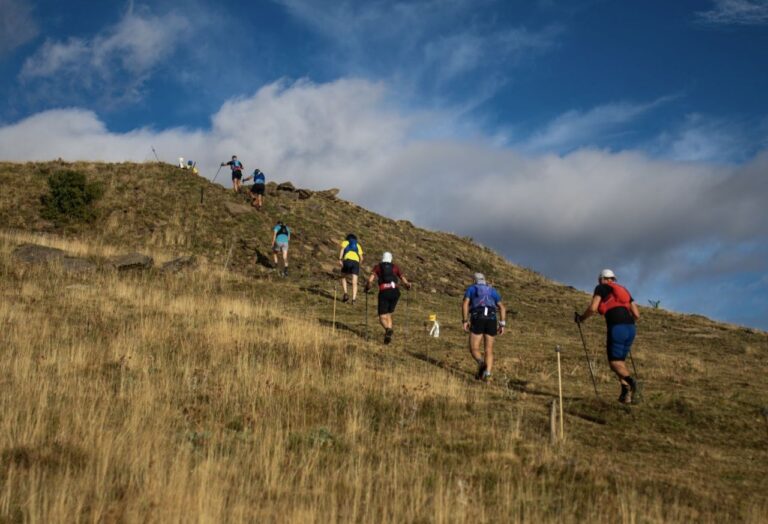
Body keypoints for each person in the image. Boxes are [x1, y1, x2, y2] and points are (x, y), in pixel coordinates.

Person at [576, 269, 641, 404]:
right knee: (620, 362)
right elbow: (636, 314)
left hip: (617, 327)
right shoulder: (624, 290)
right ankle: (625, 395)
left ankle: (632, 383)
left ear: (602, 279)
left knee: (614, 363)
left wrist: (581, 318)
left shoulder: (601, 288)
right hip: (630, 328)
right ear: (613, 279)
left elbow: (593, 308)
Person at [462, 273, 506, 382]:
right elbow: (502, 307)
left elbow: (465, 304)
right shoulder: (492, 290)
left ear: (474, 280)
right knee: (489, 350)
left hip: (478, 317)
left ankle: (481, 363)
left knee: (474, 348)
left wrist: (465, 320)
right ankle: (487, 375)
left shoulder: (471, 289)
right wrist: (502, 324)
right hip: (492, 319)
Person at [364, 252, 412, 344]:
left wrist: (367, 286)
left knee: (382, 317)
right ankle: (388, 336)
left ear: (382, 258)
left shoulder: (378, 266)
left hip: (384, 292)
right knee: (389, 314)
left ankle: (388, 330)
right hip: (395, 292)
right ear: (391, 258)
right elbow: (403, 278)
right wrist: (407, 285)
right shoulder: (395, 267)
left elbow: (370, 279)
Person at [338, 233, 363, 304]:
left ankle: (345, 294)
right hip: (356, 263)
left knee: (343, 277)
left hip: (347, 261)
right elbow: (361, 258)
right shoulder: (358, 245)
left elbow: (342, 250)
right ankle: (354, 299)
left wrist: (340, 259)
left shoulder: (345, 242)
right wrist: (359, 264)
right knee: (354, 282)